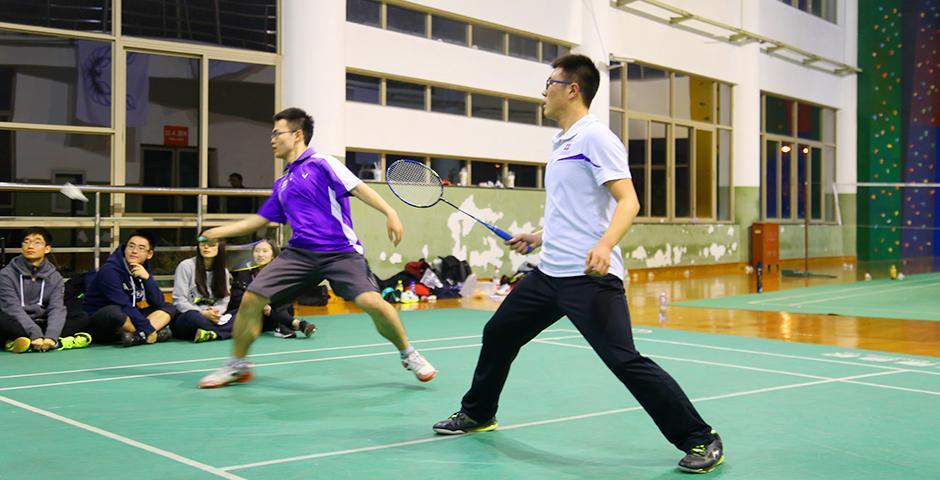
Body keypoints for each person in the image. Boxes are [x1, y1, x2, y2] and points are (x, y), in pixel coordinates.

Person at [431, 55, 725, 474]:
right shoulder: (562, 142)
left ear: (572, 89)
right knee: (499, 333)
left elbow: (629, 201)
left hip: (589, 278)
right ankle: (479, 413)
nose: (543, 91)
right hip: (549, 273)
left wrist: (606, 245)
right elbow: (572, 211)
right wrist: (538, 235)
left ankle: (701, 439)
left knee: (624, 360)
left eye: (549, 82)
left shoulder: (595, 138)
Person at [197, 107, 436, 388]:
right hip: (299, 254)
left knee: (372, 302)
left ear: (297, 135)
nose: (272, 139)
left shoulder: (322, 163)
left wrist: (390, 212)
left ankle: (409, 353)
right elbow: (262, 219)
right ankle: (237, 366)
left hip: (340, 252)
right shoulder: (282, 182)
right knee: (252, 298)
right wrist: (218, 232)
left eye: (277, 133)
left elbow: (358, 187)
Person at [0, 227, 91, 353]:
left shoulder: (55, 277)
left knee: (81, 317)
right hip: (17, 321)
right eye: (26, 242)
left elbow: (56, 307)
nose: (30, 246)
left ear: (47, 249)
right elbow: (12, 308)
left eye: (37, 242)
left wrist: (51, 335)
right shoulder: (6, 274)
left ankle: (25, 342)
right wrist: (35, 333)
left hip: (42, 321)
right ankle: (55, 341)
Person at [83, 230, 176, 347]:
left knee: (169, 307)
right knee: (114, 312)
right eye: (131, 246)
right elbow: (123, 304)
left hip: (128, 315)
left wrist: (148, 279)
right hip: (102, 320)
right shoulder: (109, 271)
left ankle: (137, 336)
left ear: (149, 254)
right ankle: (146, 334)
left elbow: (158, 302)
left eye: (141, 248)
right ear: (124, 248)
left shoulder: (141, 268)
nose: (134, 251)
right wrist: (148, 328)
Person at [227, 239, 316, 339]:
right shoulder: (243, 274)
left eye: (265, 251)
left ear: (273, 255)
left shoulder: (280, 274)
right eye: (257, 251)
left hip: (271, 314)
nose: (260, 255)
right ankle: (296, 324)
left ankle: (284, 325)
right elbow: (236, 299)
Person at [171, 238, 232, 343]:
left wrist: (215, 312)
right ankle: (221, 332)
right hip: (188, 319)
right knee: (192, 316)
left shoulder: (223, 272)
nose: (206, 247)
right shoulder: (186, 266)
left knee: (239, 313)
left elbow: (224, 301)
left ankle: (210, 333)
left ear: (220, 247)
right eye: (203, 243)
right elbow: (179, 301)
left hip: (212, 318)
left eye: (211, 244)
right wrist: (202, 313)